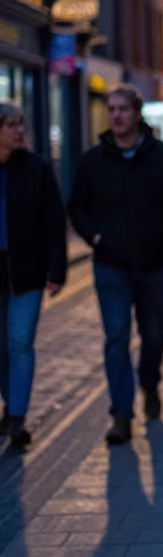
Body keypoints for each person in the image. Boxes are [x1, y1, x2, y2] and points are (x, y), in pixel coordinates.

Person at [69, 86, 163, 445]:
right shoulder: (94, 161)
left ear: (138, 113)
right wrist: (94, 236)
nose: (117, 115)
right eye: (112, 109)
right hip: (111, 265)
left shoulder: (162, 157)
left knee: (153, 334)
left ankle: (150, 384)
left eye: (124, 109)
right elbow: (77, 206)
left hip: (155, 264)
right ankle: (121, 414)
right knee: (116, 337)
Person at [0, 104, 67, 450]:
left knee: (20, 342)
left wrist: (57, 271)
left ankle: (17, 415)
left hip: (26, 270)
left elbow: (54, 221)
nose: (19, 131)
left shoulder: (36, 168)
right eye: (11, 125)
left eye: (21, 125)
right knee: (1, 347)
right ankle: (11, 404)